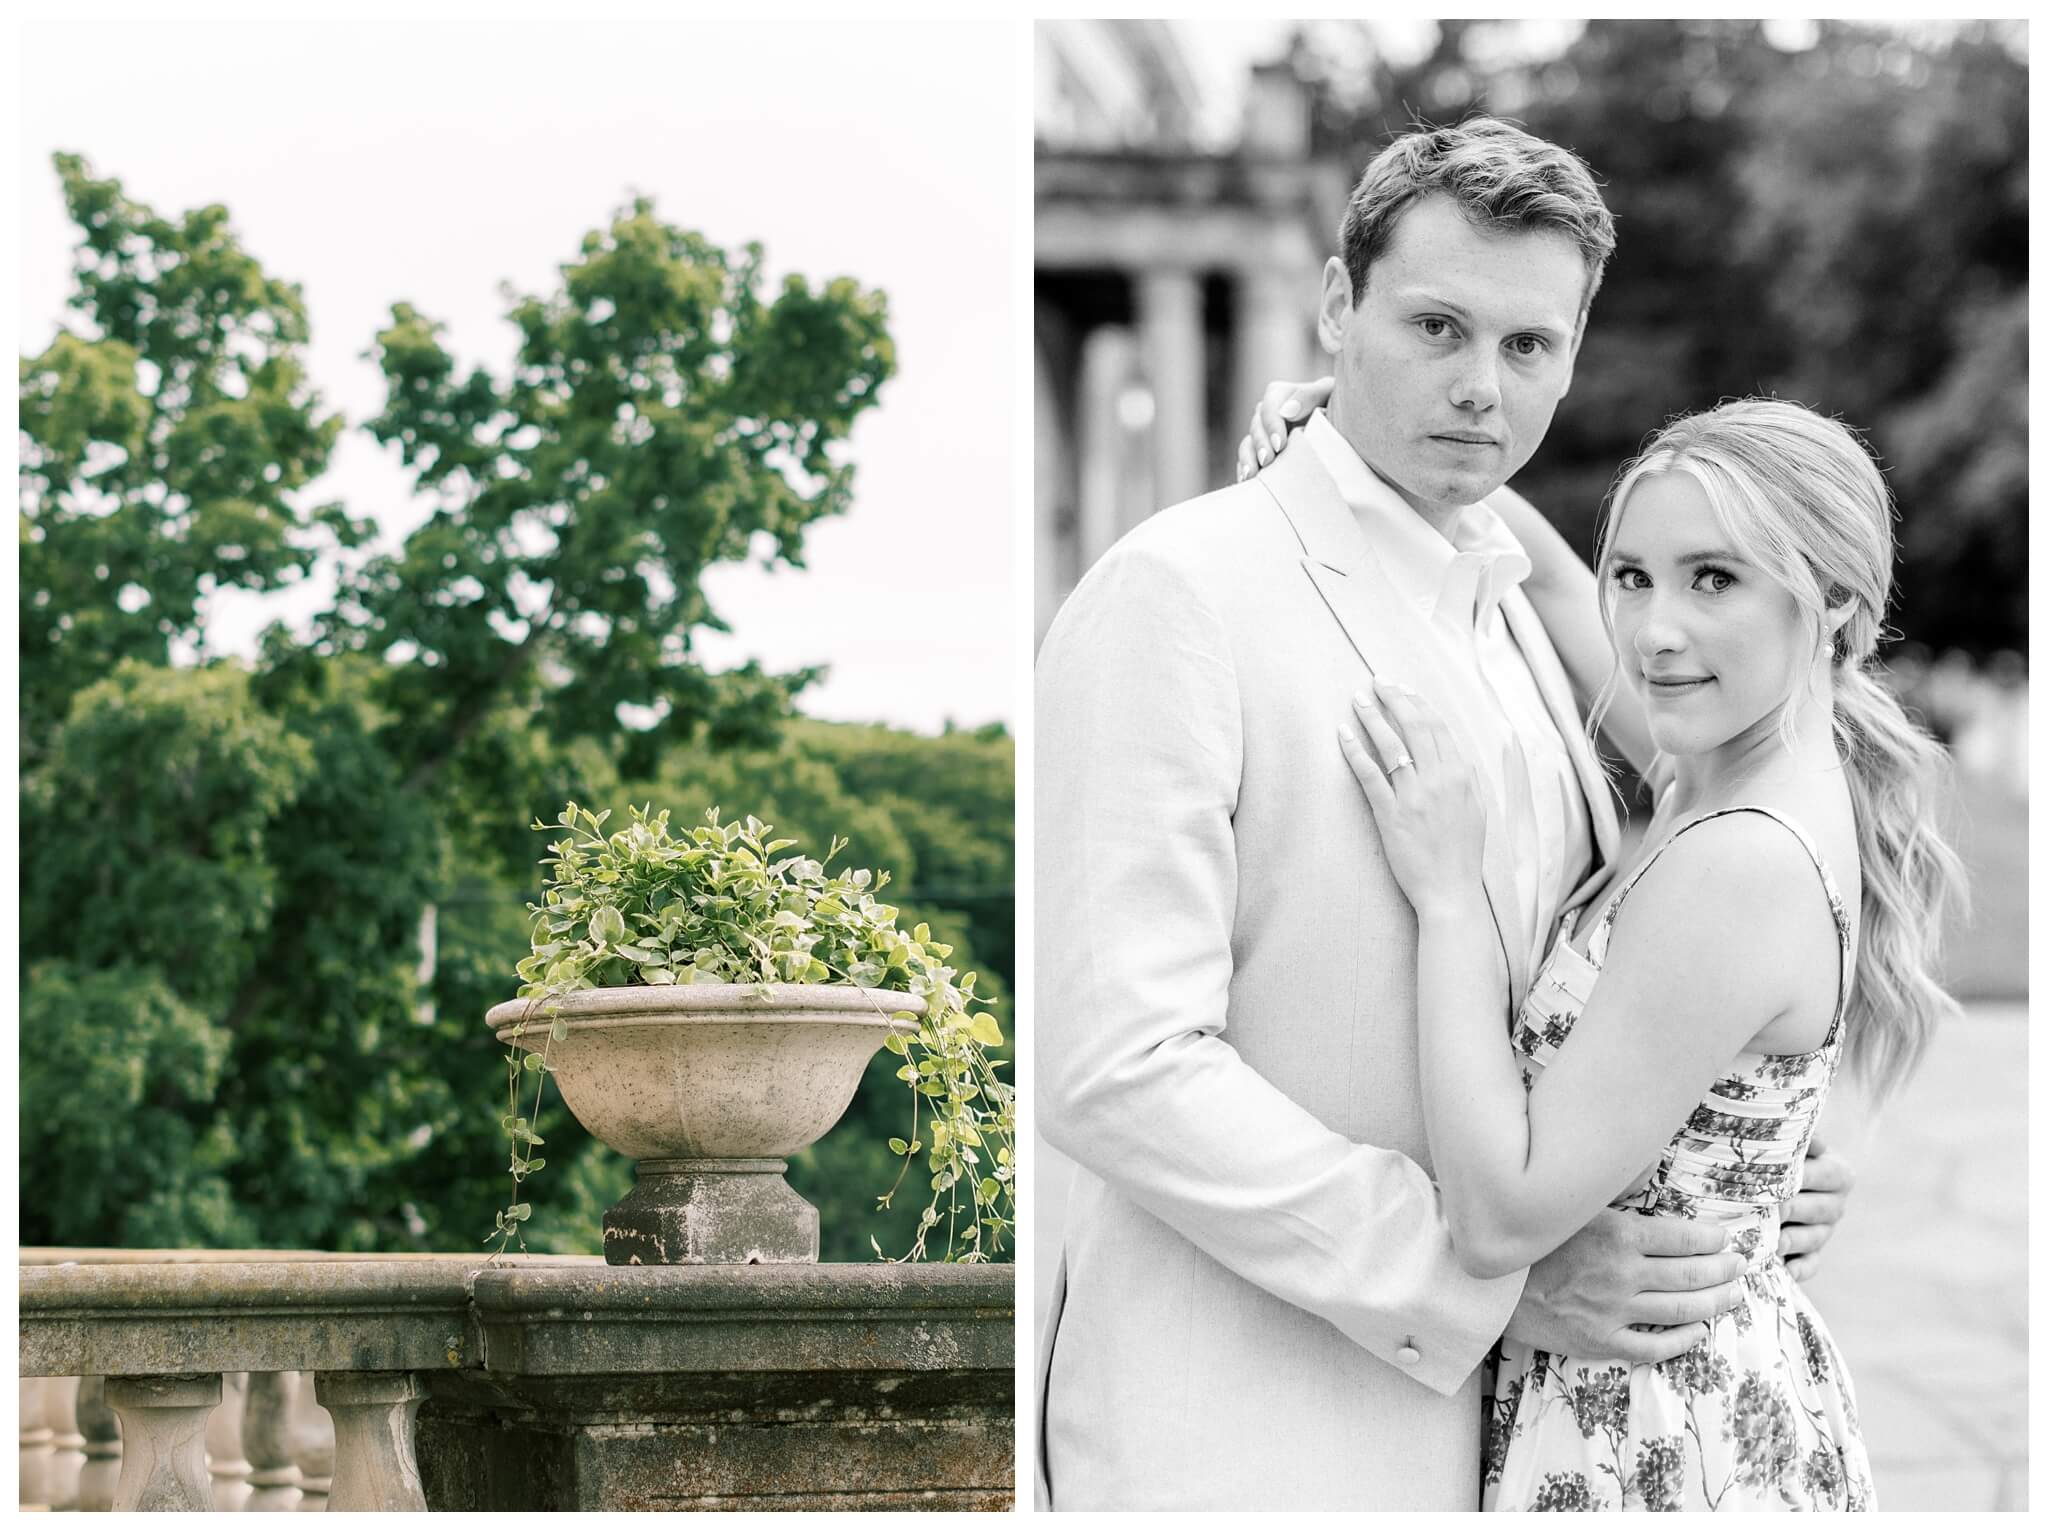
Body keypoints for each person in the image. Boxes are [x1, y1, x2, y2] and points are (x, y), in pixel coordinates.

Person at [1033, 118, 1854, 1512]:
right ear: (1339, 306)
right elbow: (1116, 1060)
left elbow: (1650, 944)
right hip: (1252, 1429)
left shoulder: (1518, 605)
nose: (1481, 389)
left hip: (1518, 1445)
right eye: (1435, 326)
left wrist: (1737, 1142)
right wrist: (1481, 1281)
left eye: (1529, 347)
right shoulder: (1180, 593)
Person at [1292, 396, 1962, 1508]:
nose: (1652, 631)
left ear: (1833, 601)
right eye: (1635, 575)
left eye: (1714, 579)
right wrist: (1368, 431)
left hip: (1651, 1430)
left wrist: (1449, 896)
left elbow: (1500, 1213)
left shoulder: (1738, 857)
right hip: (1673, 1392)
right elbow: (1551, 584)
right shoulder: (1729, 763)